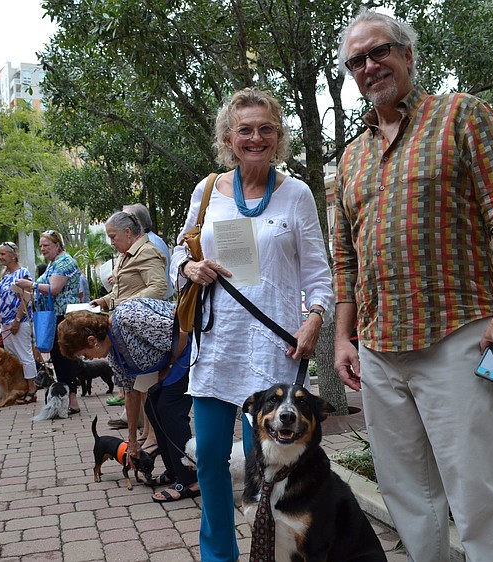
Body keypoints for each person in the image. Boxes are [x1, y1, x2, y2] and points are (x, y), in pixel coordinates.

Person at [332, 10, 493, 562]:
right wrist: (342, 338)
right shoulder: (351, 157)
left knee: (477, 490)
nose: (370, 66)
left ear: (407, 55)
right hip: (379, 348)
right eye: (358, 61)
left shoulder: (462, 115)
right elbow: (345, 257)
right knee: (408, 493)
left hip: (458, 335)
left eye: (380, 52)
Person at [171, 87, 333, 562]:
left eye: (266, 129)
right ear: (228, 137)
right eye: (245, 129)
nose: (255, 137)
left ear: (278, 137)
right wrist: (188, 268)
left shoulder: (297, 193)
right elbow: (181, 251)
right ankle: (219, 555)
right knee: (210, 463)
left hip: (273, 352)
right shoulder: (206, 192)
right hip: (218, 349)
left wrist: (315, 319)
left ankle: (273, 552)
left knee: (271, 468)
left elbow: (317, 272)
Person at [57, 303, 198, 503]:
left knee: (169, 410)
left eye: (84, 355)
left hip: (188, 353)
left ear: (92, 341)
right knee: (152, 408)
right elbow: (131, 393)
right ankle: (175, 472)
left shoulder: (128, 319)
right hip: (171, 364)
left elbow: (182, 334)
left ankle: (191, 480)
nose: (87, 359)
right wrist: (131, 441)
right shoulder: (114, 352)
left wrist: (169, 367)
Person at [90, 211, 168, 451]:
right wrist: (104, 301)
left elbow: (159, 286)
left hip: (140, 329)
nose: (111, 241)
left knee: (147, 384)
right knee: (136, 387)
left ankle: (154, 436)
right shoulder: (127, 255)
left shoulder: (146, 252)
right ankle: (145, 432)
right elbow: (121, 293)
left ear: (127, 232)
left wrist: (126, 307)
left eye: (113, 236)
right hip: (125, 328)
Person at [14, 230, 83, 415]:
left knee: (65, 358)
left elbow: (54, 289)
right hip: (53, 316)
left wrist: (31, 285)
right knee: (59, 359)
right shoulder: (53, 264)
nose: (43, 249)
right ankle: (66, 399)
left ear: (57, 245)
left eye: (46, 245)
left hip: (63, 316)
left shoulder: (65, 262)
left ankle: (71, 400)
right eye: (41, 246)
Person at [0, 241, 38, 404]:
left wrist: (17, 319)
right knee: (13, 357)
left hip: (19, 322)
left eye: (3, 254)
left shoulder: (23, 273)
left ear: (13, 255)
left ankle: (32, 389)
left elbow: (27, 297)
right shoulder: (5, 275)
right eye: (0, 254)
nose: (1, 257)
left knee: (25, 355)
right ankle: (19, 388)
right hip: (6, 322)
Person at [123, 203, 174, 300]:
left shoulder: (151, 244)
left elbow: (157, 285)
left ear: (140, 223)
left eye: (126, 220)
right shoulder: (143, 242)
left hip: (154, 304)